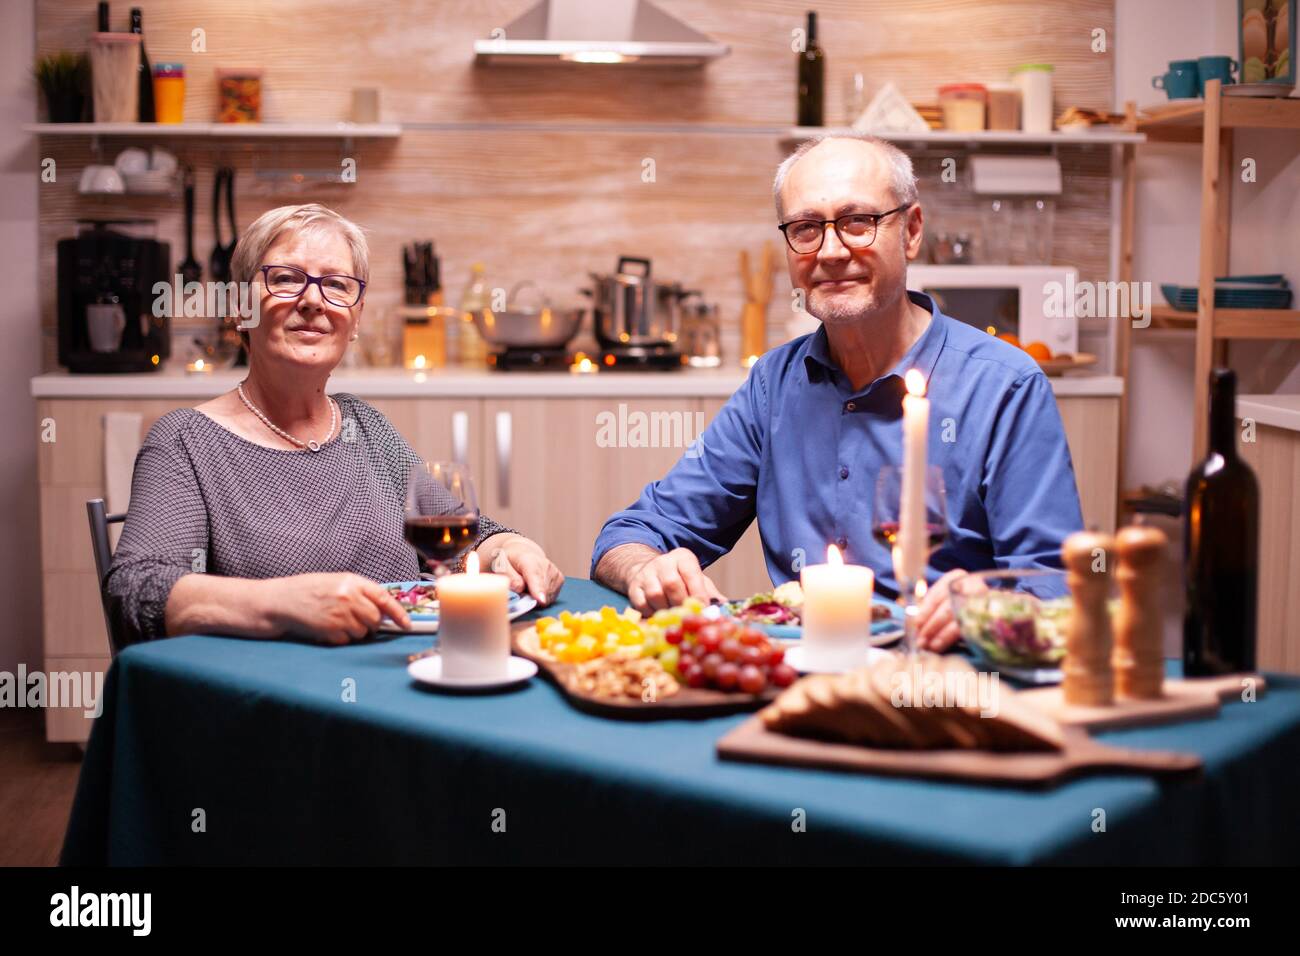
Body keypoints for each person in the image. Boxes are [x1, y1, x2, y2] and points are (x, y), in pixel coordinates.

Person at [592, 134, 1083, 651]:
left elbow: (1057, 589)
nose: (829, 251)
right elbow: (629, 533)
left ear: (911, 231)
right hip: (796, 681)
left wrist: (987, 601)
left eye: (858, 222)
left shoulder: (1005, 386)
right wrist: (648, 568)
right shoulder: (772, 385)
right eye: (805, 228)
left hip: (940, 690)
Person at [107, 203, 563, 646]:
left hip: (403, 685)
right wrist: (280, 603)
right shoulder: (186, 441)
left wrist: (513, 550)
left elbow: (463, 535)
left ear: (357, 316)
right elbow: (136, 591)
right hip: (273, 703)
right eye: (285, 279)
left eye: (337, 285)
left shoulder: (366, 427)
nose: (312, 301)